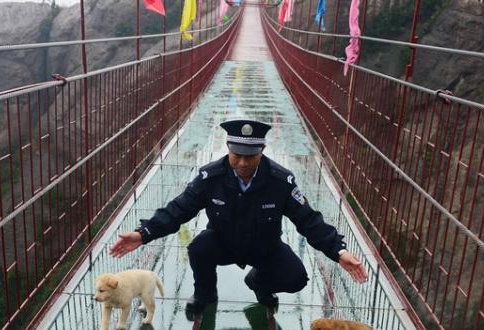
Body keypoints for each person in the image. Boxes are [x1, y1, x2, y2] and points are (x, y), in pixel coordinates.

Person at [109, 119, 367, 315]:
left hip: (264, 247)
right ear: (228, 149)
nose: (243, 163)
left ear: (263, 150)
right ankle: (205, 295)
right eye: (237, 155)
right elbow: (180, 208)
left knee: (296, 278)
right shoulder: (211, 177)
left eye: (251, 156)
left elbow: (308, 220)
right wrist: (144, 233)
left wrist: (339, 252)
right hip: (224, 243)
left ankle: (259, 282)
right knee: (199, 247)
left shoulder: (280, 181)